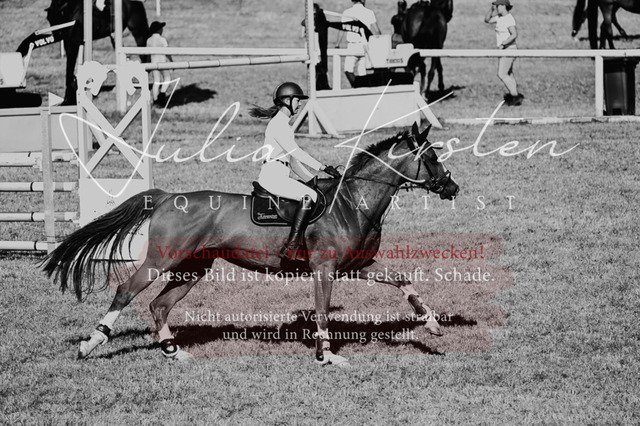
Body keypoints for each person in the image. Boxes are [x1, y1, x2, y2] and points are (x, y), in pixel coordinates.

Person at [249, 82, 340, 264]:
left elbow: (293, 162)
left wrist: (313, 179)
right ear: (286, 100)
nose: (299, 105)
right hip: (272, 178)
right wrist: (322, 167)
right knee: (309, 196)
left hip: (279, 175)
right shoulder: (278, 124)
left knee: (313, 191)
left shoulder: (284, 124)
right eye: (297, 100)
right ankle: (292, 246)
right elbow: (295, 152)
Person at [484, 0, 524, 106]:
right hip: (504, 50)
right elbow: (487, 20)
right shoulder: (499, 18)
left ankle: (515, 96)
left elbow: (514, 34)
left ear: (503, 6)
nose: (497, 8)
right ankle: (515, 98)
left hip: (509, 49)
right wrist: (491, 10)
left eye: (498, 6)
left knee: (502, 74)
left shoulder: (509, 19)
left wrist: (504, 43)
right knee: (508, 74)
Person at [335, 0, 382, 86]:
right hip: (365, 46)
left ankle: (356, 86)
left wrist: (337, 44)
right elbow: (377, 31)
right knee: (362, 71)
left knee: (348, 69)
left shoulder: (347, 12)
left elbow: (342, 30)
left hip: (353, 45)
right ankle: (362, 88)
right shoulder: (369, 12)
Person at [146, 21, 173, 105]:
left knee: (156, 81)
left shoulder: (149, 40)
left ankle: (155, 99)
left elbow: (147, 53)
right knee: (167, 78)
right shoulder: (162, 40)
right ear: (158, 30)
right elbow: (167, 52)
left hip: (153, 62)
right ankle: (162, 93)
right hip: (162, 62)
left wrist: (148, 63)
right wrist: (171, 61)